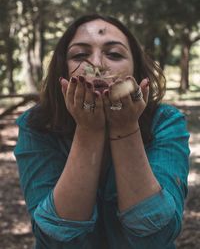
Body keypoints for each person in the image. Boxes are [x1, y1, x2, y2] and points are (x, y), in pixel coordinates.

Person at [14, 14, 190, 249]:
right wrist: (88, 130)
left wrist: (126, 128)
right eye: (79, 55)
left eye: (114, 54)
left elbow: (156, 236)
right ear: (63, 73)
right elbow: (55, 239)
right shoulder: (37, 125)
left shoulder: (166, 122)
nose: (97, 64)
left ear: (137, 72)